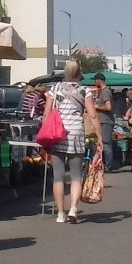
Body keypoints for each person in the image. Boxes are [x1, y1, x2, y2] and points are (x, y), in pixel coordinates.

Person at [43, 59, 103, 224]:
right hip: (76, 134)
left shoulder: (54, 90)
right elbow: (92, 115)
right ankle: (74, 209)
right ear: (79, 73)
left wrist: (44, 135)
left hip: (57, 135)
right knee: (76, 176)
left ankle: (61, 213)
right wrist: (99, 137)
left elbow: (46, 114)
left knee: (58, 177)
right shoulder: (85, 91)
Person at [92, 72, 115, 171]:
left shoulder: (105, 92)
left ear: (99, 80)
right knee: (103, 143)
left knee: (106, 143)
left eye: (95, 80)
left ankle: (109, 165)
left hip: (106, 121)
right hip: (102, 121)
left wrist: (97, 106)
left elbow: (108, 107)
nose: (95, 82)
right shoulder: (103, 92)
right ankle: (104, 163)